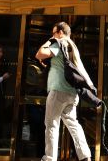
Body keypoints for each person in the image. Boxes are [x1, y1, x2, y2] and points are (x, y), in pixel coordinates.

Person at [35, 22, 92, 161]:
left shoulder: (59, 43)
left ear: (60, 32)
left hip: (58, 90)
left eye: (54, 33)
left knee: (51, 125)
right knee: (73, 123)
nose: (52, 36)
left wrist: (49, 41)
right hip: (72, 92)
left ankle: (50, 158)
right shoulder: (73, 46)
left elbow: (39, 54)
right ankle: (85, 156)